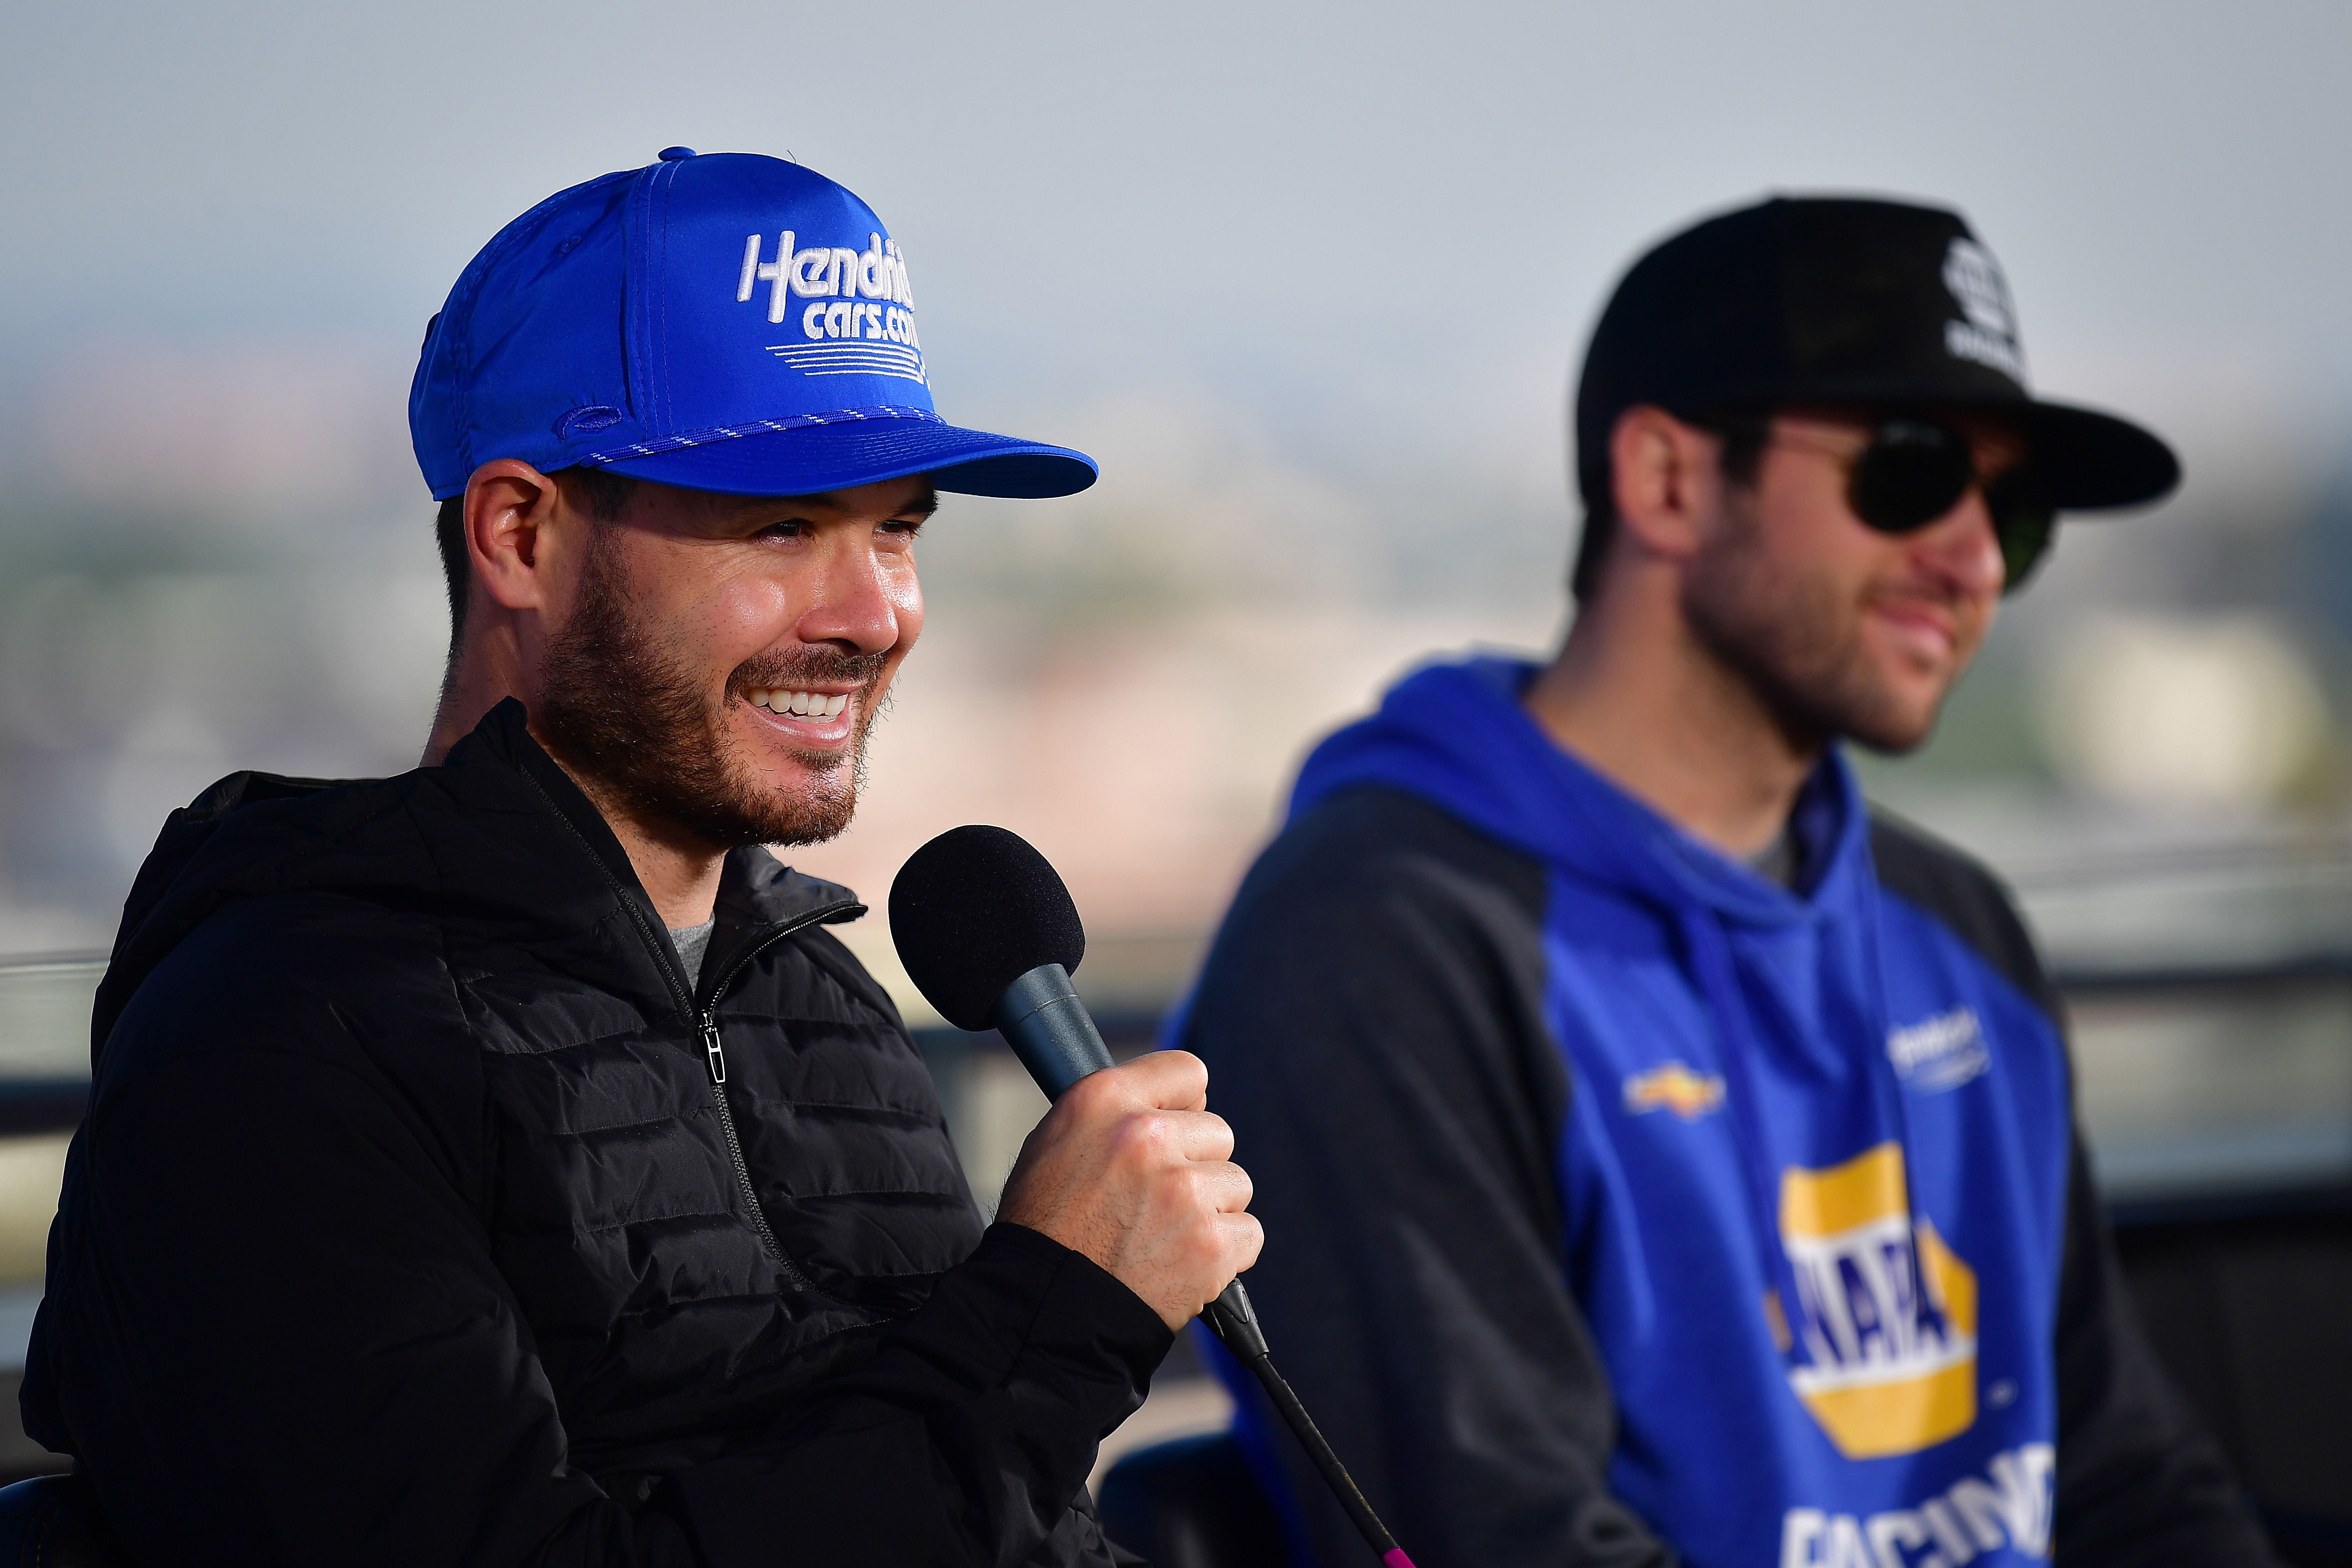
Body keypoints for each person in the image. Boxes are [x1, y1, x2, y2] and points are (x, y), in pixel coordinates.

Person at [24, 149, 1260, 1567]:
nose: (876, 612)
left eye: (900, 531)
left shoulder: (822, 1005)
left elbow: (988, 1518)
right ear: (519, 534)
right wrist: (1051, 1318)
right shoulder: (279, 1038)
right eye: (784, 525)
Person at [1177, 197, 2278, 1567]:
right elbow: (1505, 1540)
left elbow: (2117, 1475)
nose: (1978, 557)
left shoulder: (1960, 929)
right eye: (1913, 470)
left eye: (2015, 507)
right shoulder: (1380, 941)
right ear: (1668, 480)